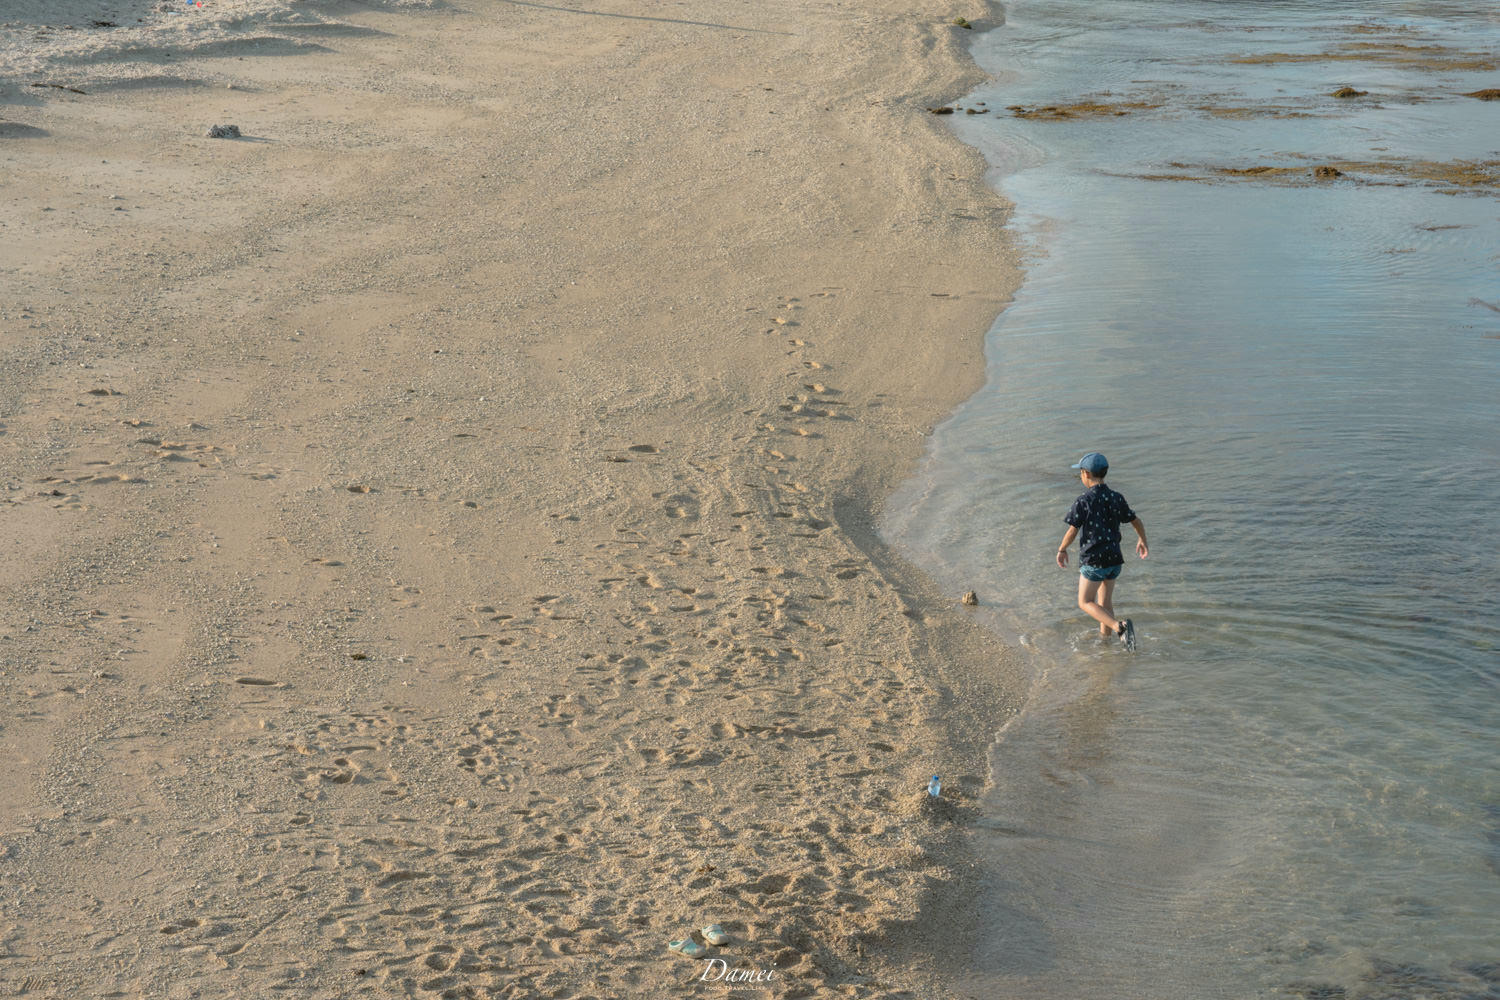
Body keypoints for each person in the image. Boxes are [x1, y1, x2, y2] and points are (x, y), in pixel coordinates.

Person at [1055, 452, 1148, 649]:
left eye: (1080, 472)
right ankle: (1105, 643)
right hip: (1114, 559)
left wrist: (1062, 549)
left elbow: (1073, 530)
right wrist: (1142, 539)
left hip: (1094, 560)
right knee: (1105, 603)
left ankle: (1119, 627)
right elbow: (1135, 520)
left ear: (1086, 474)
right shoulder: (1116, 497)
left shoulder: (1084, 500)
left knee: (1085, 601)